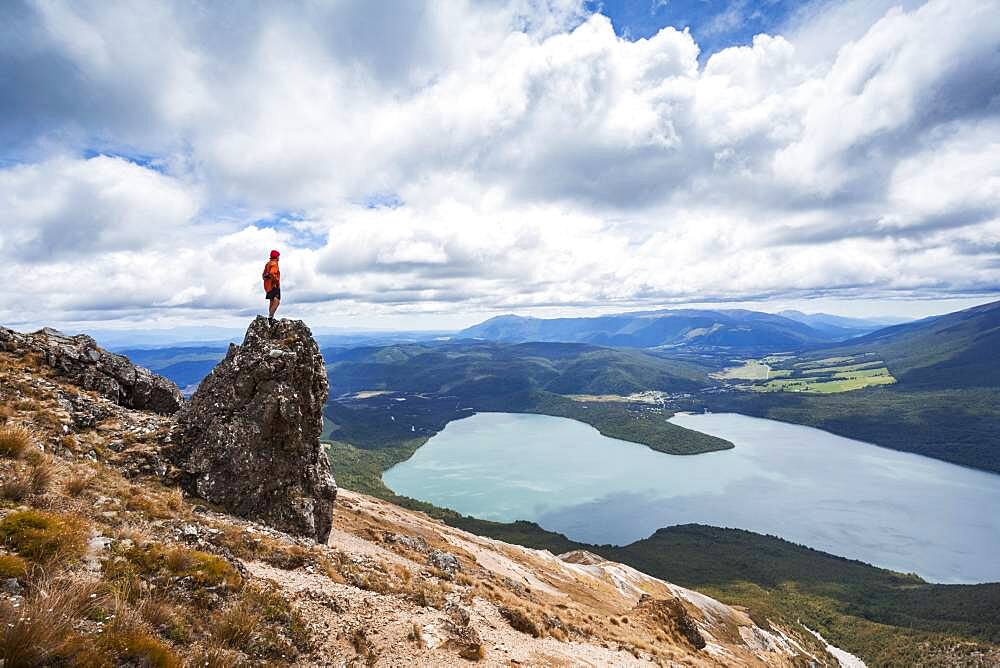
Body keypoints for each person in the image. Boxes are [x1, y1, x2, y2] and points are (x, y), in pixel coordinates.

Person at [262, 249, 281, 319]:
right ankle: (270, 317)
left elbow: (263, 275)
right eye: (278, 256)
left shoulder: (268, 264)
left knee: (272, 301)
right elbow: (272, 273)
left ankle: (270, 318)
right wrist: (276, 280)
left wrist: (266, 279)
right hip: (274, 285)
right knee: (277, 301)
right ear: (276, 257)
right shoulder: (274, 264)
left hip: (268, 286)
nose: (279, 258)